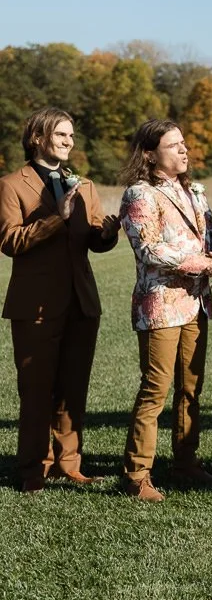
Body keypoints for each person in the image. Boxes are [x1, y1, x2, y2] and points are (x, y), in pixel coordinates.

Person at [0, 107, 119, 492]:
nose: (70, 141)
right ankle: (32, 470)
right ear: (37, 137)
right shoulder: (10, 185)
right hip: (34, 306)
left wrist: (109, 234)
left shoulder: (83, 184)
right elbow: (10, 242)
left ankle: (68, 464)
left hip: (82, 302)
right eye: (61, 135)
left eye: (71, 135)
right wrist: (55, 219)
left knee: (73, 387)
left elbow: (93, 242)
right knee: (36, 391)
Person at [117, 120, 212, 501]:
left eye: (184, 143)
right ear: (150, 155)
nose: (184, 150)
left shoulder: (196, 191)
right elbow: (148, 249)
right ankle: (137, 476)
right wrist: (204, 263)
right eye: (174, 145)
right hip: (161, 306)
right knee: (155, 389)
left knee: (191, 388)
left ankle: (186, 463)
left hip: (196, 304)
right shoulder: (139, 194)